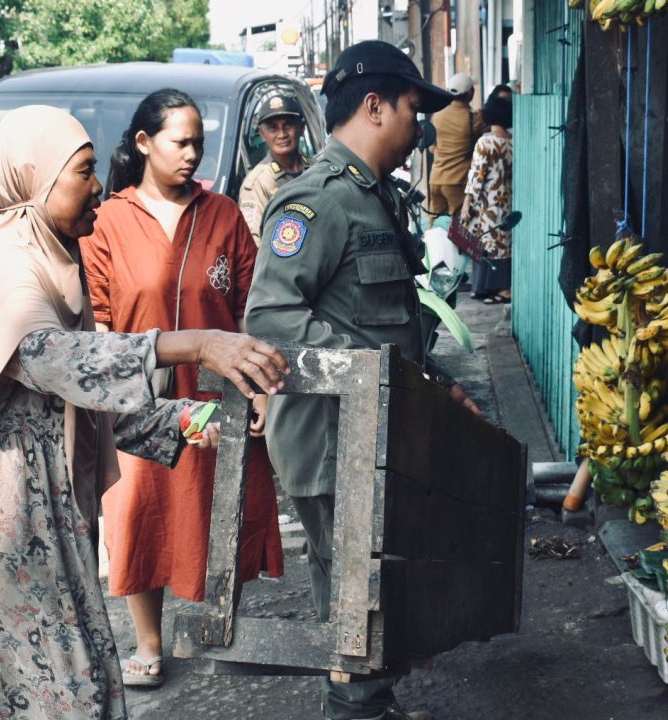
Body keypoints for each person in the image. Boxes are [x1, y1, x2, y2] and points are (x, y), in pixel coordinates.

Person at [0, 104, 289, 719]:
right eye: (83, 172)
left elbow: (86, 402)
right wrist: (196, 343)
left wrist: (191, 421)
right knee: (15, 687)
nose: (97, 186)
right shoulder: (5, 267)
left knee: (69, 678)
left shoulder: (51, 262)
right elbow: (60, 362)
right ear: (35, 181)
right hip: (1, 518)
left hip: (50, 504)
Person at [245, 40, 481, 720]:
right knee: (355, 607)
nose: (421, 129)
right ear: (374, 106)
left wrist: (427, 381)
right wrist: (386, 376)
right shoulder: (316, 203)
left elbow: (385, 320)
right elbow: (272, 324)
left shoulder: (375, 199)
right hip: (330, 443)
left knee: (377, 599)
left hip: (376, 432)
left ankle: (372, 704)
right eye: (413, 110)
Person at [80, 89, 285, 689]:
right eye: (180, 141)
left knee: (227, 505)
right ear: (144, 143)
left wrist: (262, 390)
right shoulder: (110, 221)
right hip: (137, 402)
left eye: (198, 141)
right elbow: (96, 321)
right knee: (140, 514)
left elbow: (250, 310)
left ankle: (224, 623)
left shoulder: (222, 214)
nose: (193, 153)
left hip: (217, 394)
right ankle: (148, 642)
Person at [460, 91, 514, 303]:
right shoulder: (512, 142)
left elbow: (476, 176)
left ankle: (487, 288)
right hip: (507, 200)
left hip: (488, 202)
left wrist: (467, 202)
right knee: (503, 244)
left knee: (487, 243)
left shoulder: (485, 143)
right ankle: (501, 288)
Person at [238, 93, 311, 245]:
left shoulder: (316, 170)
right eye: (273, 128)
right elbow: (252, 242)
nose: (282, 134)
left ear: (301, 128)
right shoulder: (258, 183)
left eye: (288, 125)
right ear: (262, 134)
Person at [427, 71, 484, 223]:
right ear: (470, 94)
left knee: (434, 224)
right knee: (460, 225)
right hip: (456, 181)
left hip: (436, 178)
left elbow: (431, 148)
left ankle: (429, 247)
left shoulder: (437, 115)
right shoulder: (473, 119)